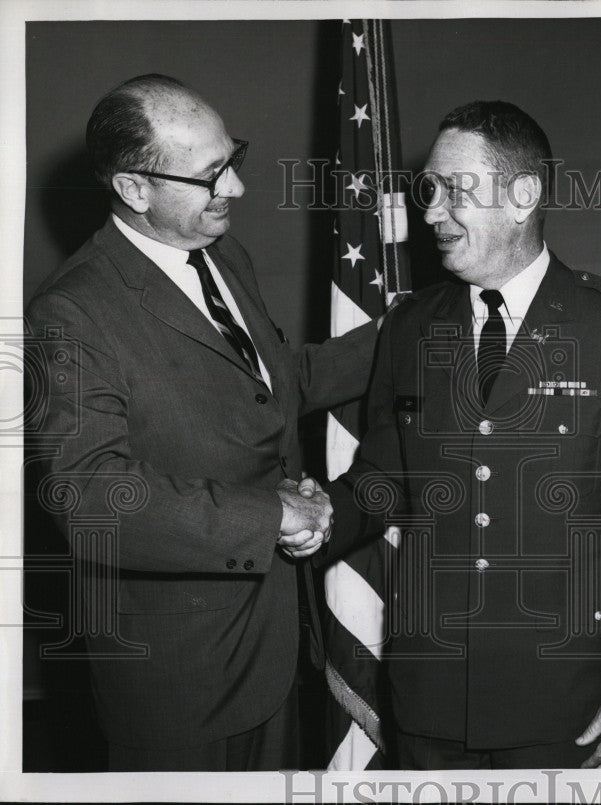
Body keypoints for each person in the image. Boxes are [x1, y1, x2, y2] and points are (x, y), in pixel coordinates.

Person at [315, 100, 601, 769]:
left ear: (523, 196)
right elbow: (384, 480)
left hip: (565, 701)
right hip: (428, 695)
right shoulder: (409, 327)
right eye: (429, 190)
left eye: (454, 191)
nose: (429, 213)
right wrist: (314, 519)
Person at [26, 74, 378, 771]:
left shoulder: (222, 254)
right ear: (134, 189)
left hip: (273, 644)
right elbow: (90, 494)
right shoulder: (70, 314)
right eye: (210, 174)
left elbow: (275, 381)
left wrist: (421, 325)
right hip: (179, 681)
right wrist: (269, 516)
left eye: (232, 159)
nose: (236, 189)